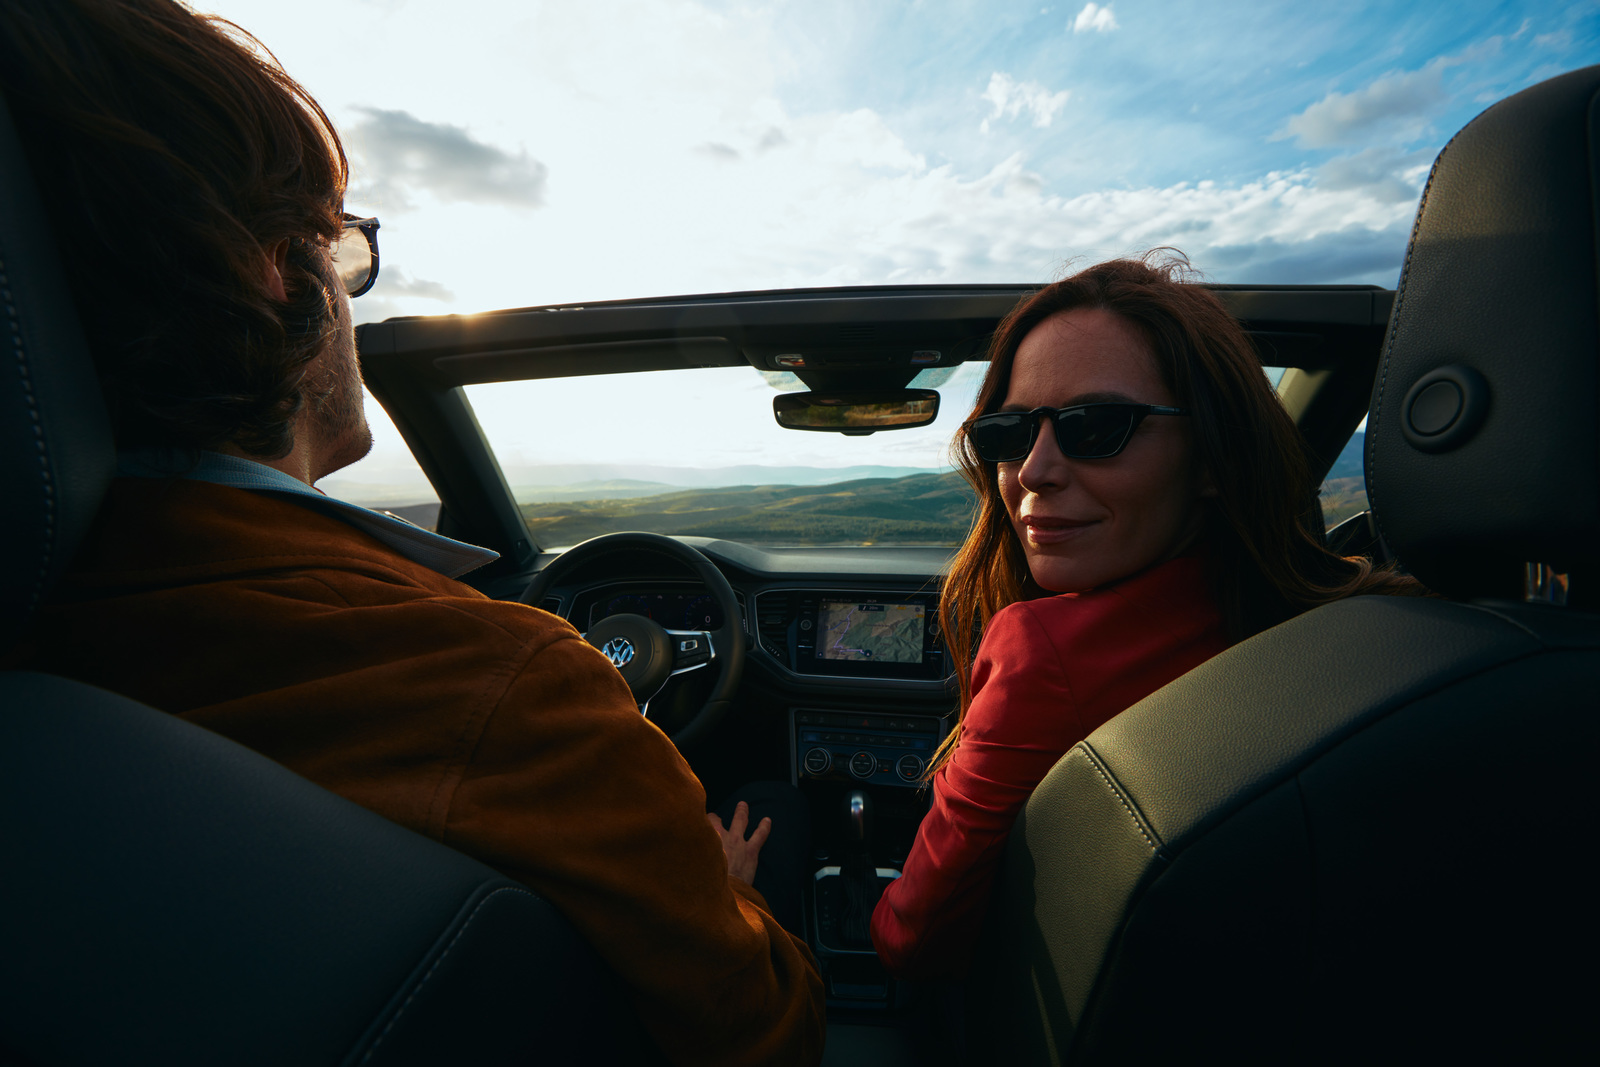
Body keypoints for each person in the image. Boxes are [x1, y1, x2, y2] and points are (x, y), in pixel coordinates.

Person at [0, 2, 823, 1064]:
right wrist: (731, 894)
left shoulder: (54, 639)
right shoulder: (512, 683)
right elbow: (768, 1036)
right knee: (768, 815)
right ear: (274, 269)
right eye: (339, 245)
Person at [870, 254, 1421, 979]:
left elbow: (911, 937)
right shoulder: (1379, 626)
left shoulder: (1044, 657)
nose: (1033, 469)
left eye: (1096, 426)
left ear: (1213, 457)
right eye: (1008, 432)